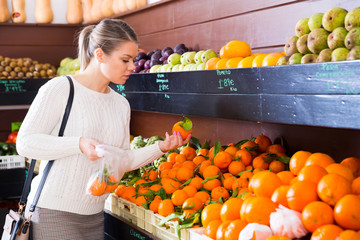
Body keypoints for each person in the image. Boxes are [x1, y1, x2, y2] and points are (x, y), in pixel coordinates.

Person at [16, 18, 190, 240]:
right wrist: (78, 144)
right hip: (54, 212)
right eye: (125, 59)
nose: (132, 66)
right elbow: (25, 143)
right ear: (100, 55)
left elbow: (124, 159)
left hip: (95, 215)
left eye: (134, 59)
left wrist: (161, 147)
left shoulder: (120, 104)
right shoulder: (60, 88)